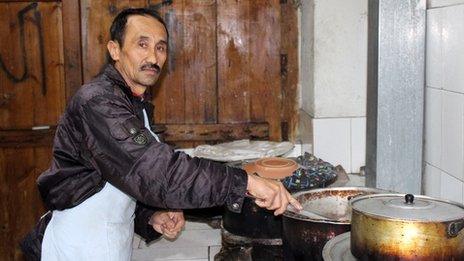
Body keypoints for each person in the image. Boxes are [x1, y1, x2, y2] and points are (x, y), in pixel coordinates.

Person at [21, 7, 302, 261]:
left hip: (108, 243)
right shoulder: (98, 102)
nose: (153, 57)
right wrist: (247, 183)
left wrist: (149, 215)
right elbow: (154, 171)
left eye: (160, 48)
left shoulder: (133, 103)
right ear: (114, 50)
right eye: (141, 45)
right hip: (77, 247)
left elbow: (119, 177)